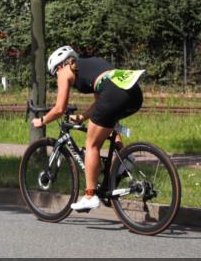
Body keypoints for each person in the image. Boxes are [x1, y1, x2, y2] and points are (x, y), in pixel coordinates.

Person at [31, 46, 144, 211]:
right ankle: (123, 158)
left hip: (113, 93)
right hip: (133, 93)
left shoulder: (64, 71)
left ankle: (90, 195)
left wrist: (42, 120)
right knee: (109, 121)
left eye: (54, 73)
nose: (57, 76)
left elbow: (59, 109)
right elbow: (101, 101)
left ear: (58, 66)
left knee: (92, 145)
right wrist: (83, 117)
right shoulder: (92, 63)